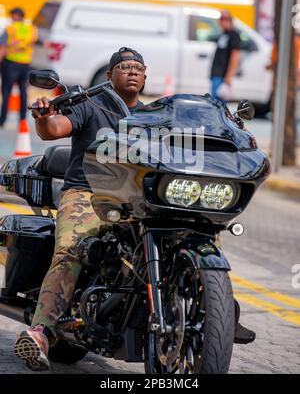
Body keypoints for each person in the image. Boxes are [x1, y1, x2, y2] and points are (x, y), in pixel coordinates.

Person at [14, 47, 255, 371]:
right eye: (124, 66)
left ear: (145, 76)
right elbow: (54, 129)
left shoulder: (154, 118)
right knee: (71, 249)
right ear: (110, 74)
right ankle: (42, 331)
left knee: (202, 231)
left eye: (138, 67)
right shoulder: (91, 104)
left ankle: (217, 311)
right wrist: (43, 116)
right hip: (89, 193)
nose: (132, 71)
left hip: (138, 198)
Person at [0, 7, 38, 126]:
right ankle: (22, 119)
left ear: (16, 15)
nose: (11, 18)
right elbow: (34, 42)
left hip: (10, 63)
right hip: (25, 64)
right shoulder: (31, 28)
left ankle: (2, 119)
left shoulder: (10, 29)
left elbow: (2, 47)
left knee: (6, 92)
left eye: (12, 16)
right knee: (23, 92)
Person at [210, 10, 241, 100]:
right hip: (216, 74)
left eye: (225, 19)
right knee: (214, 102)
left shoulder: (233, 35)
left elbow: (236, 55)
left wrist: (229, 76)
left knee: (218, 105)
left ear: (230, 20)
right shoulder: (223, 34)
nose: (222, 22)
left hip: (223, 76)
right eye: (221, 19)